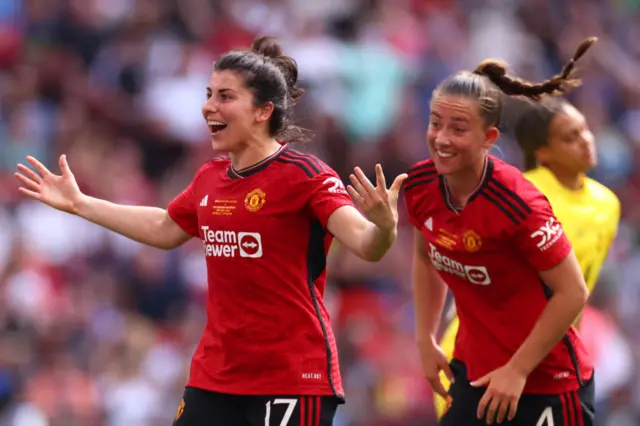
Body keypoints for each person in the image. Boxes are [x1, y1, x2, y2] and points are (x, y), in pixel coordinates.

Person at [14, 36, 407, 426]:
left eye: (224, 96)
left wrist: (385, 226)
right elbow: (165, 227)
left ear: (262, 110)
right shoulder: (210, 177)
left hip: (291, 375)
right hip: (218, 374)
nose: (208, 107)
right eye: (208, 94)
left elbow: (365, 244)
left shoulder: (306, 176)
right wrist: (81, 203)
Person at [404, 37, 598, 425]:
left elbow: (572, 291)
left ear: (488, 139)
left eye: (458, 128)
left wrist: (518, 369)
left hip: (547, 383)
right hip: (473, 374)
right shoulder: (420, 185)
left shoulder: (518, 202)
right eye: (435, 123)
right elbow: (426, 257)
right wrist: (425, 338)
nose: (441, 138)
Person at [434, 85, 621, 422]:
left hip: (543, 360)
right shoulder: (522, 195)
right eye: (570, 136)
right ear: (544, 152)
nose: (586, 140)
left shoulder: (607, 204)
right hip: (483, 356)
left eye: (584, 130)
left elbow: (579, 291)